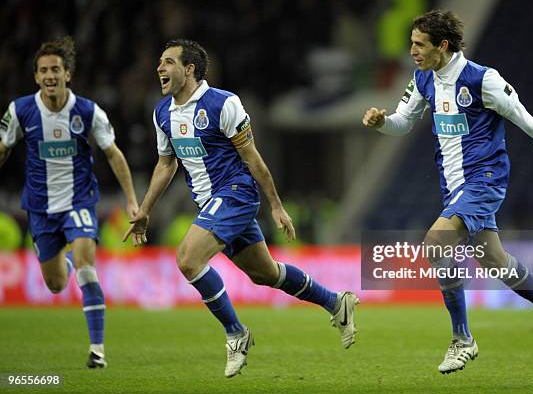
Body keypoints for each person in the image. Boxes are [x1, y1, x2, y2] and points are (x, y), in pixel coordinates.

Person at [123, 39, 358, 378]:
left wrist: (276, 205)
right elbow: (165, 165)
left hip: (235, 192)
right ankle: (337, 303)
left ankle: (236, 333)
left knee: (188, 259)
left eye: (169, 62)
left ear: (189, 69)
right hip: (210, 203)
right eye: (160, 61)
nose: (160, 67)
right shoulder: (163, 113)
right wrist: (145, 210)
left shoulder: (223, 103)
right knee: (266, 274)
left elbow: (253, 158)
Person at [362, 10, 533, 374]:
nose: (412, 51)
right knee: (494, 261)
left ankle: (462, 339)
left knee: (435, 244)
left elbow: (520, 114)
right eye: (412, 43)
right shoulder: (422, 79)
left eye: (419, 44)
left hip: (485, 178)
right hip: (454, 186)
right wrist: (382, 121)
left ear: (442, 46)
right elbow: (402, 123)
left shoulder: (482, 79)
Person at [0, 36, 139, 368]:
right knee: (56, 284)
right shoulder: (20, 110)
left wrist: (133, 201)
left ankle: (97, 350)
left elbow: (113, 155)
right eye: (44, 70)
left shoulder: (88, 111)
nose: (50, 75)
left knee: (88, 269)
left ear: (68, 74)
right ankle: (70, 262)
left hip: (79, 201)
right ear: (36, 76)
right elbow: (3, 148)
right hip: (41, 208)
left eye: (56, 70)